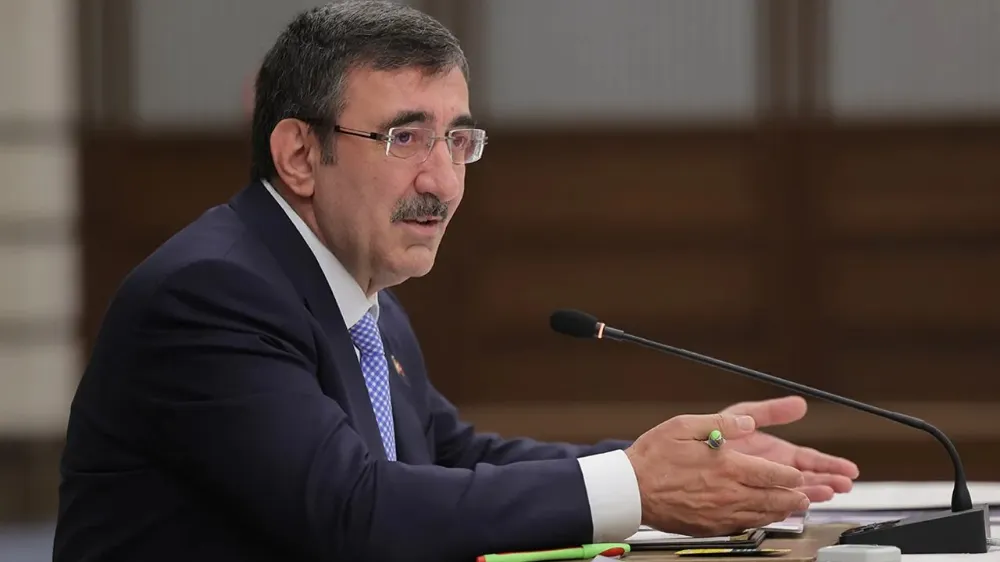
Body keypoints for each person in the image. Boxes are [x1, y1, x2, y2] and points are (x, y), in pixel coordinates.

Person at [53, 2, 859, 561]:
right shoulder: (210, 295)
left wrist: (679, 462)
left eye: (458, 140)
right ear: (299, 154)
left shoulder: (359, 297)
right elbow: (354, 511)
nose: (442, 180)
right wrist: (636, 486)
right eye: (405, 138)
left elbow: (447, 455)